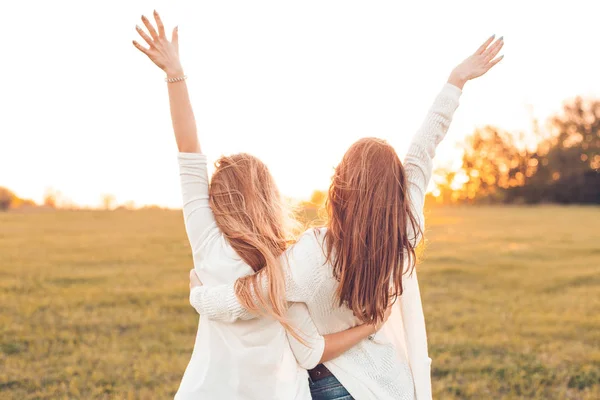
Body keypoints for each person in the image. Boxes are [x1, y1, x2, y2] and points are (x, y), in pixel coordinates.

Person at [187, 35, 504, 400]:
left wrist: (200, 297)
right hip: (392, 384)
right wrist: (455, 81)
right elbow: (422, 150)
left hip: (335, 387)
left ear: (340, 187)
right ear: (397, 189)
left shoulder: (312, 254)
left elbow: (244, 299)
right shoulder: (404, 231)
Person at [132, 11, 391, 400]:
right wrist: (370, 327)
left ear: (217, 200)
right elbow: (312, 352)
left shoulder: (207, 244)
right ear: (270, 198)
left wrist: (175, 73)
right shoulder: (289, 265)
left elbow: (189, 151)